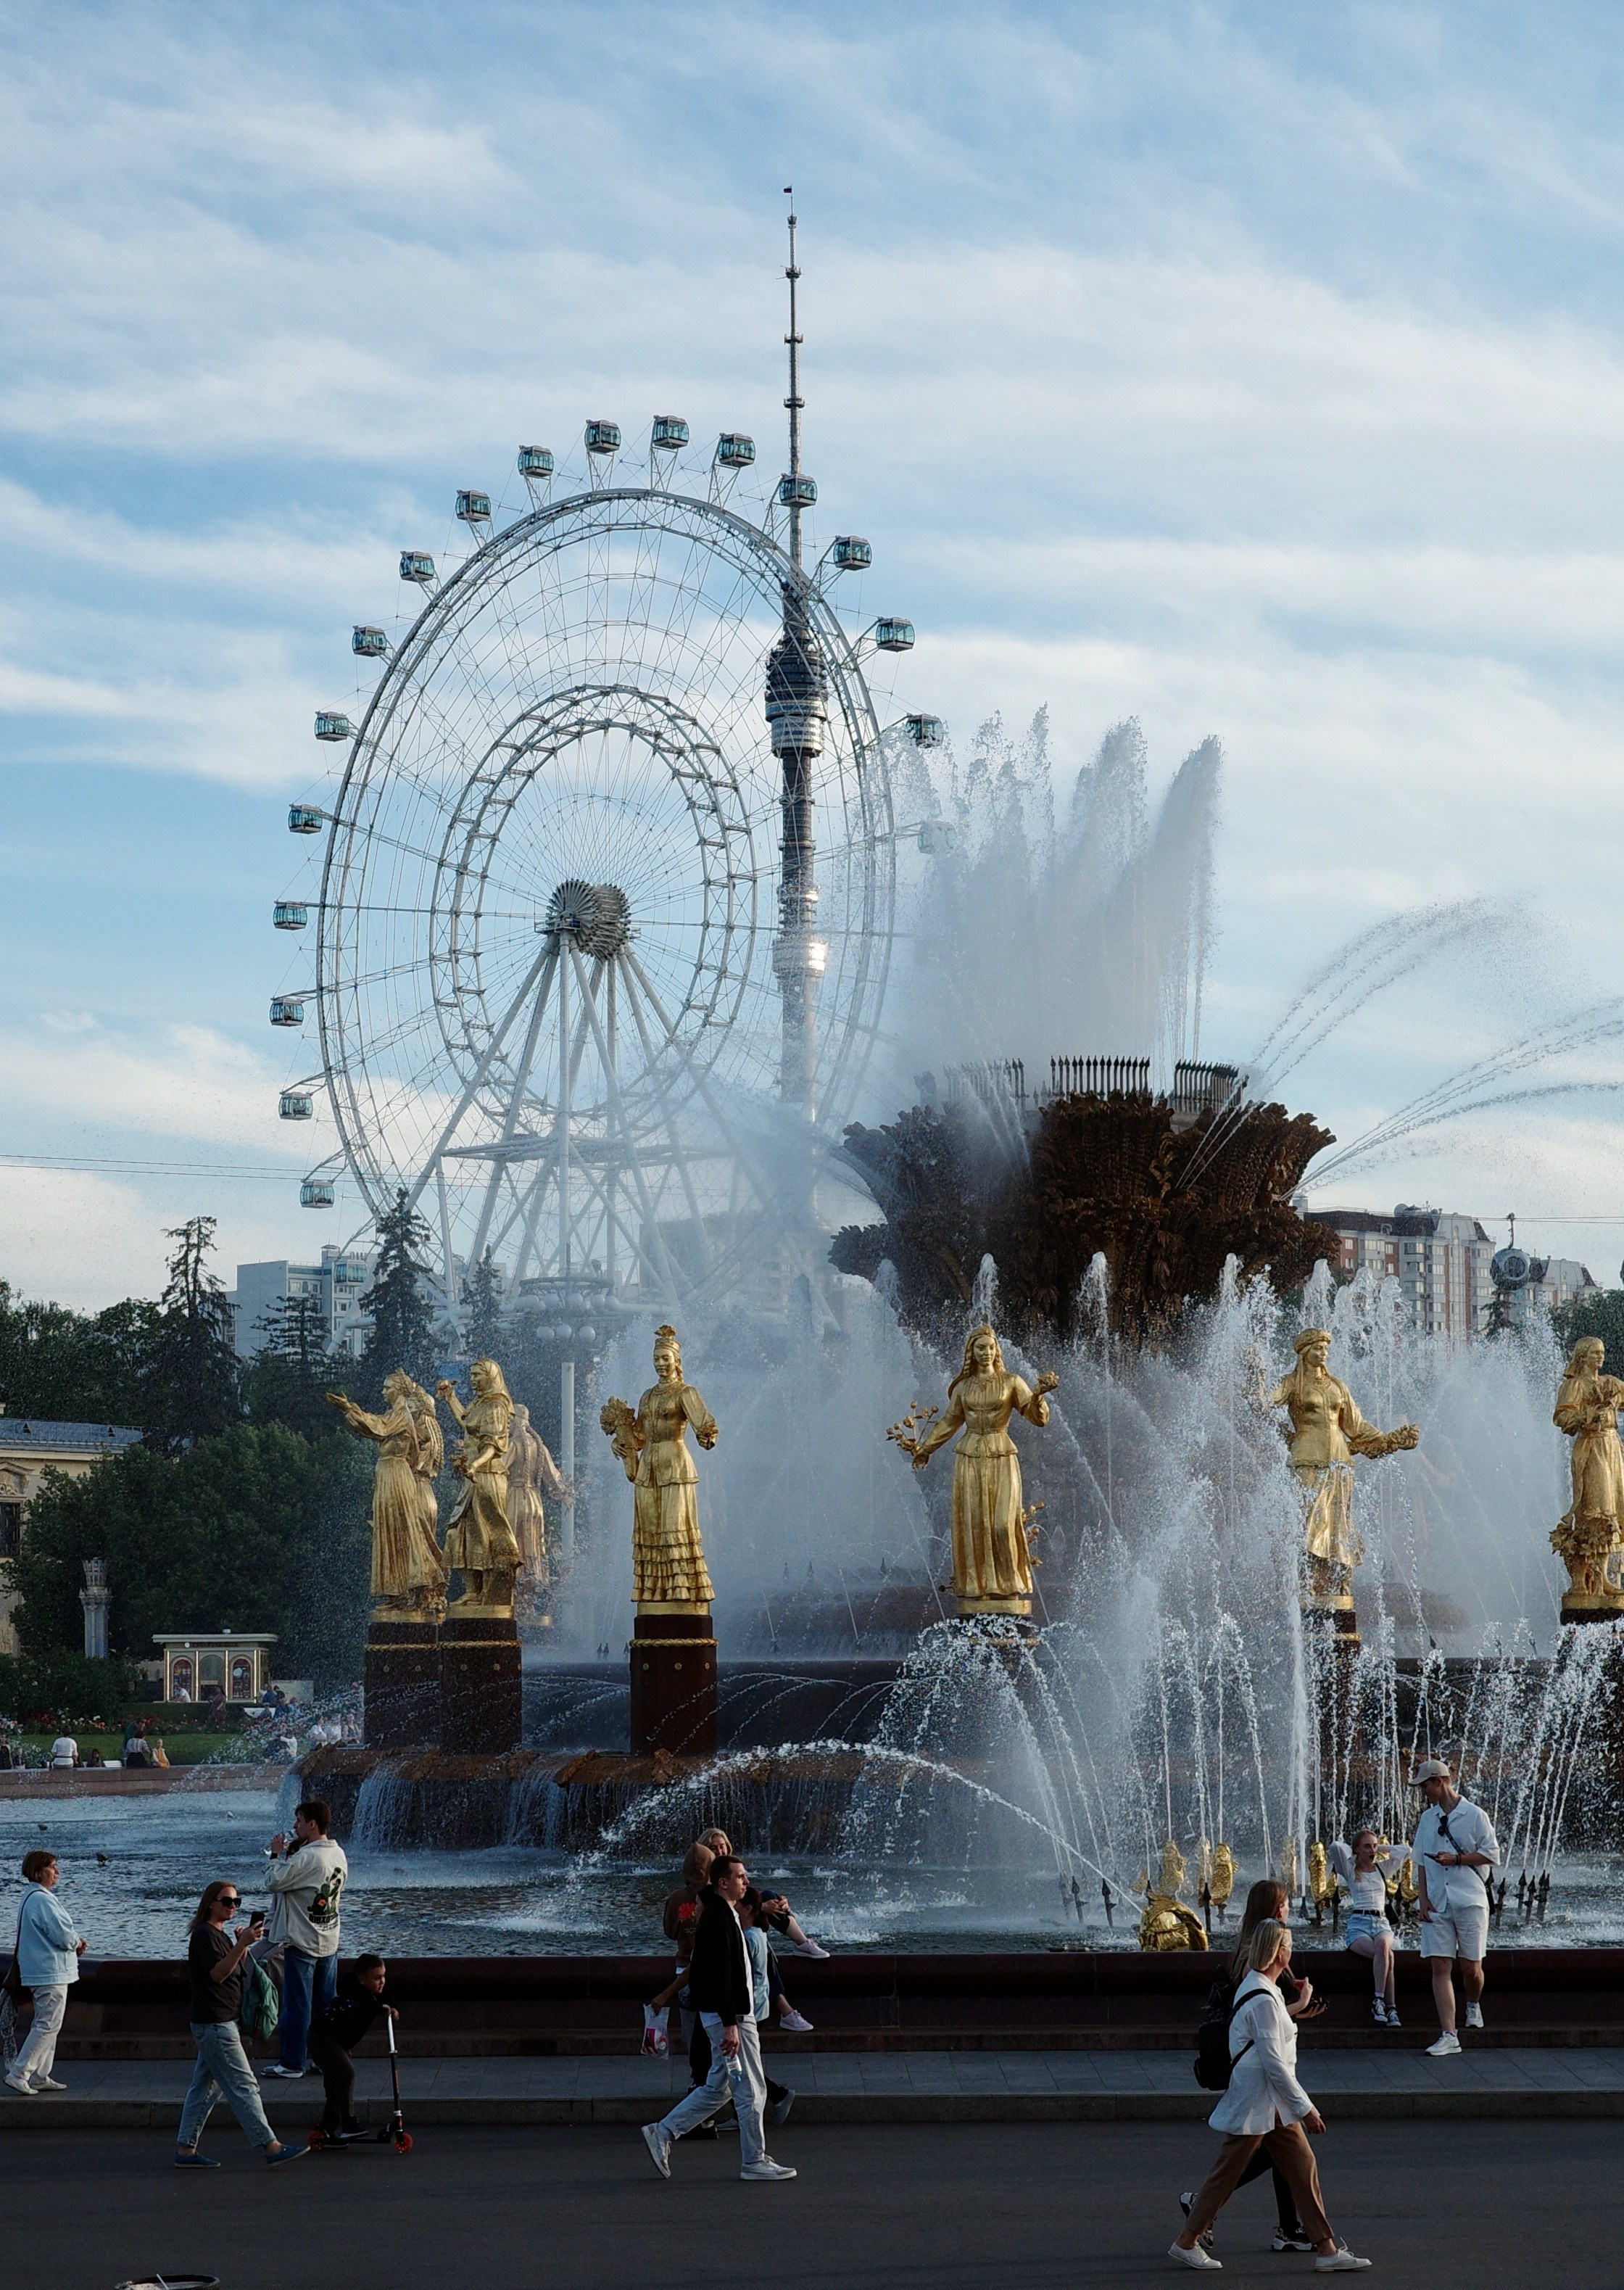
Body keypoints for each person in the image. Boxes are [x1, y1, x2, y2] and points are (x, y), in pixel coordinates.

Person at [1172, 1919, 1370, 2273]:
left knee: (1302, 2164)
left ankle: (1326, 2249)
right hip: (1259, 2098)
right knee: (1226, 2173)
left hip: (1269, 2101)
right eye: (1289, 1945)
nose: (1292, 1951)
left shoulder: (1263, 1987)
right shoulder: (1264, 1995)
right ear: (1279, 1952)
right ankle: (1186, 2242)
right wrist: (1306, 2107)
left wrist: (1300, 2001)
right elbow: (1274, 2061)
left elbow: (1271, 2033)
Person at [1181, 1880, 1319, 2258]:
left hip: (1265, 2077)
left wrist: (1295, 2009)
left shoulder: (1249, 1952)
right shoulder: (1256, 1963)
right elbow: (1260, 2023)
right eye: (1288, 1906)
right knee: (1252, 2156)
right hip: (1262, 2077)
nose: (1290, 1912)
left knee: (1285, 2155)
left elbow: (1264, 2019)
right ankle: (1200, 2213)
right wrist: (1305, 2105)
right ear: (1278, 1911)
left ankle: (1298, 2232)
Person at [640, 1854, 797, 2184]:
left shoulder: (723, 1914)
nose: (747, 1881)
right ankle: (754, 2160)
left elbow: (717, 1972)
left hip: (729, 2016)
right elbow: (719, 1974)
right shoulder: (718, 1917)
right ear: (722, 1882)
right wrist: (730, 2023)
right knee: (751, 2089)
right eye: (741, 1876)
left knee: (719, 2088)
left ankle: (663, 2131)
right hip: (734, 2019)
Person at [174, 1880, 305, 2168]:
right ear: (211, 1903)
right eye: (227, 1901)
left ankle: (185, 2149)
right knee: (245, 2085)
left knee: (205, 2088)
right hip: (215, 2024)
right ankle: (271, 2146)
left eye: (237, 1902)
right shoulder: (204, 1935)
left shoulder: (218, 1934)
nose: (233, 1906)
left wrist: (242, 1946)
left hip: (219, 2022)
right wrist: (242, 1944)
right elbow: (218, 1975)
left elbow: (237, 1972)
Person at [1409, 1757, 1499, 2057]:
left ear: (1440, 1781)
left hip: (1470, 1900)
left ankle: (1473, 2003)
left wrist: (1457, 1859)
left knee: (1471, 1967)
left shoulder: (1474, 1815)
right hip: (1438, 1901)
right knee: (1440, 1966)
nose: (1423, 1791)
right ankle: (1449, 2034)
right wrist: (1423, 1898)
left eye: (1425, 1785)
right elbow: (1420, 1860)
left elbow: (1492, 1854)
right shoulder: (1427, 1819)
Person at [263, 1798, 348, 2080]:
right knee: (326, 2005)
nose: (294, 1825)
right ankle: (325, 2059)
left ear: (312, 1824)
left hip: (303, 1941)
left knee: (297, 2005)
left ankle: (292, 2063)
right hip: (329, 1940)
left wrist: (276, 1855)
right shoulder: (338, 1853)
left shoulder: (308, 1856)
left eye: (299, 1820)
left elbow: (275, 1882)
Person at [4, 1849, 87, 2096]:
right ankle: (19, 2073)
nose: (57, 1872)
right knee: (48, 2024)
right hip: (49, 1972)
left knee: (49, 2023)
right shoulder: (42, 1899)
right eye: (52, 1867)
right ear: (39, 1871)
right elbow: (61, 1934)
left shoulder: (32, 1897)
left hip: (42, 1971)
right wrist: (78, 1942)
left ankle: (40, 2075)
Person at [697, 1829, 829, 1959]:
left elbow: (743, 1898)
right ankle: (802, 1944)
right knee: (765, 1900)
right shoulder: (701, 1877)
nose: (720, 1852)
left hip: (739, 1925)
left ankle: (803, 1943)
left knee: (769, 1896)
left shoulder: (731, 1870)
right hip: (720, 1930)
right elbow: (721, 1905)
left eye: (722, 1846)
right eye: (713, 1848)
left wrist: (777, 1904)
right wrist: (762, 1907)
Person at [309, 1955, 395, 2139]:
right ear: (362, 1979)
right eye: (377, 1978)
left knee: (336, 2084)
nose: (382, 1982)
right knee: (346, 2075)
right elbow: (366, 2004)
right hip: (323, 2039)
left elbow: (385, 1998)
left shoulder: (372, 1993)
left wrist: (392, 2009)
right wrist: (382, 2010)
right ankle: (349, 2123)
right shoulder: (355, 1993)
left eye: (383, 1976)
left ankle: (327, 2127)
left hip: (338, 2041)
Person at [1331, 1830, 1401, 2025]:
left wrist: (1381, 1848)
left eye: (1374, 1846)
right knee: (1388, 1955)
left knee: (1383, 1947)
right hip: (1358, 1926)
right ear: (1357, 1849)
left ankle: (1378, 2000)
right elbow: (1336, 1847)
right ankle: (1392, 2008)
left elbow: (1405, 1851)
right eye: (1367, 1846)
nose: (1372, 1850)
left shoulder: (1382, 1869)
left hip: (1381, 1923)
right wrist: (1354, 1851)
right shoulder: (1349, 1869)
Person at [740, 1888, 796, 2128]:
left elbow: (743, 1976)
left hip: (749, 2008)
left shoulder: (750, 1937)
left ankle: (776, 2096)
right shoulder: (758, 1934)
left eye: (737, 1907)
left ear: (748, 1910)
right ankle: (753, 2107)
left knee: (741, 2066)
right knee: (740, 2064)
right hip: (758, 2006)